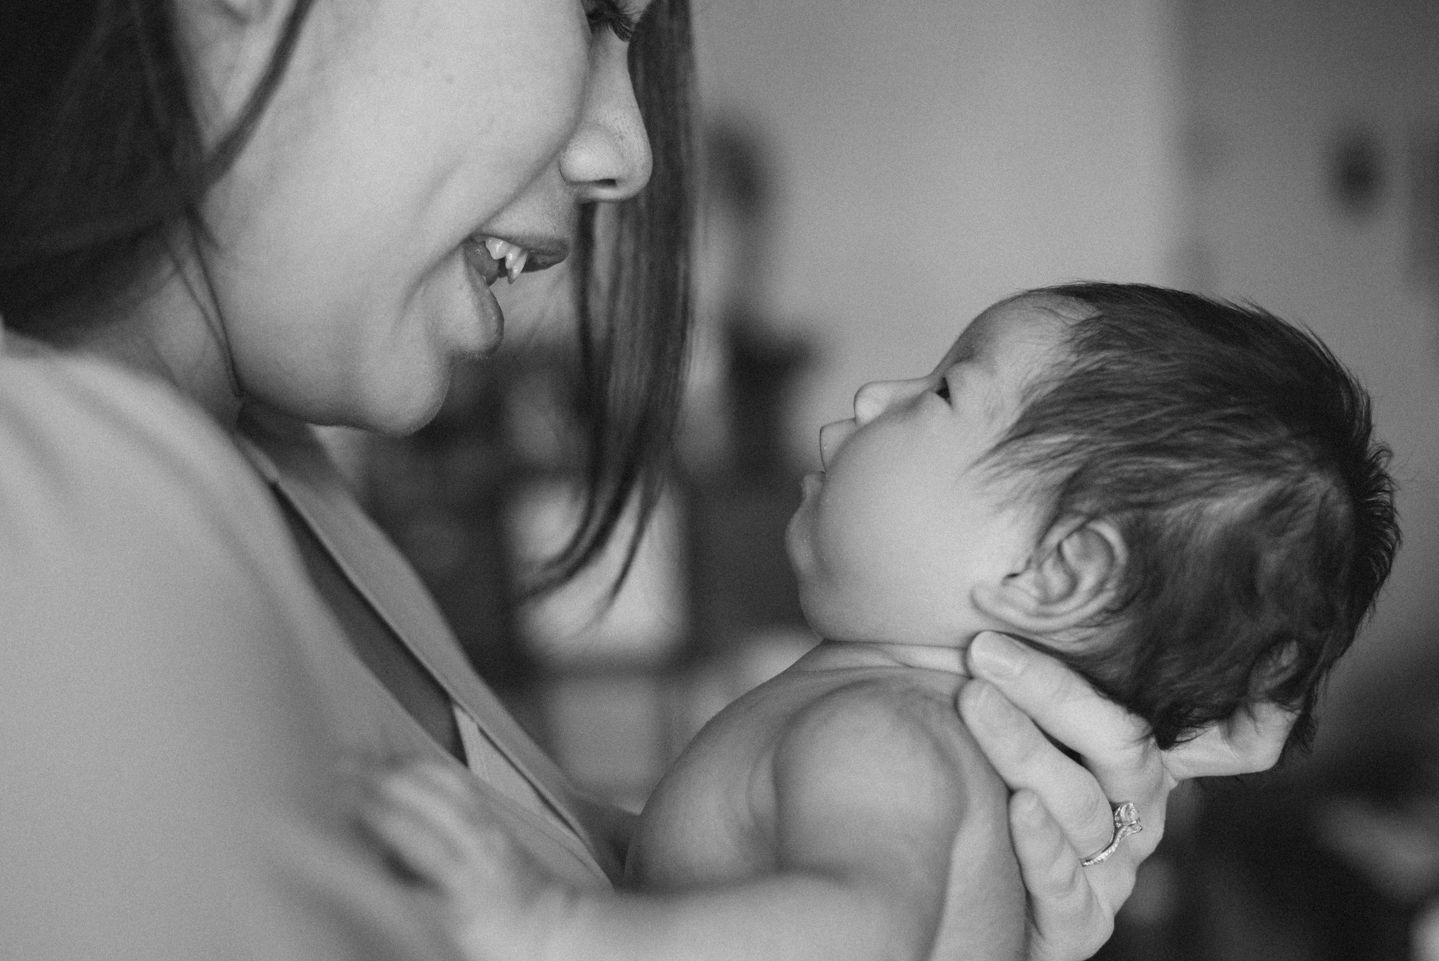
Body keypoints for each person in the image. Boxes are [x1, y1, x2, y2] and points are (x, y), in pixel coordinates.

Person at [0, 0, 1292, 956]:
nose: (631, 154)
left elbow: (622, 888)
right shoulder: (50, 502)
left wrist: (969, 895)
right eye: (597, 12)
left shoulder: (298, 488)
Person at [364, 283, 1397, 961]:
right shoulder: (904, 738)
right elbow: (721, 873)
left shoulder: (887, 735)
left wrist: (553, 928)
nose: (868, 396)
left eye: (943, 390)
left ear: (1057, 570)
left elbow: (856, 923)